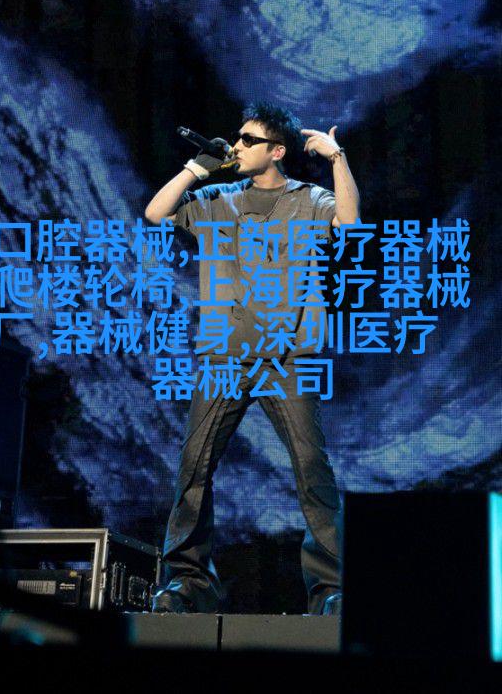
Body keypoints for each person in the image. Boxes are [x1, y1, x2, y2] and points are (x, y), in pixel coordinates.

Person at [144, 102, 360, 615]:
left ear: (277, 151)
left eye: (248, 139)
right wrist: (196, 168)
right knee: (194, 466)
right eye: (236, 138)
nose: (236, 146)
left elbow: (350, 222)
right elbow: (156, 212)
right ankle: (189, 582)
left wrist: (337, 158)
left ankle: (331, 587)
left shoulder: (308, 200)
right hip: (225, 359)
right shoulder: (217, 199)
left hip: (288, 359)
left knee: (311, 468)